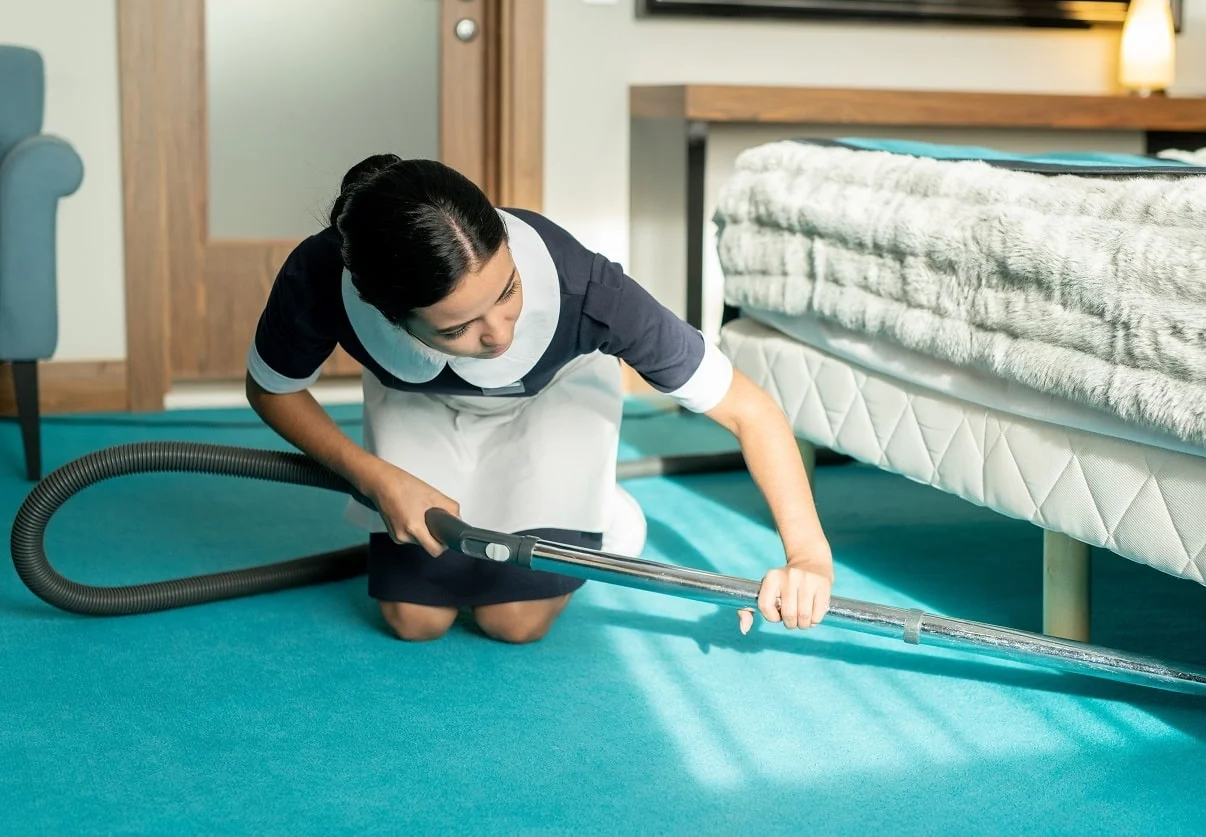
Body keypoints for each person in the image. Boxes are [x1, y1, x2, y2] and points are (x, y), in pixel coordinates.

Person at [245, 154, 833, 644]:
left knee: (514, 622)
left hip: (554, 395)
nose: (499, 333)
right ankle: (542, 507)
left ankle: (600, 516)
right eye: (457, 328)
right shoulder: (320, 276)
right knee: (415, 621)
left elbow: (749, 410)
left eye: (507, 291)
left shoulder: (589, 290)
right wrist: (374, 477)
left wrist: (807, 555)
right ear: (387, 313)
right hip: (417, 398)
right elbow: (271, 389)